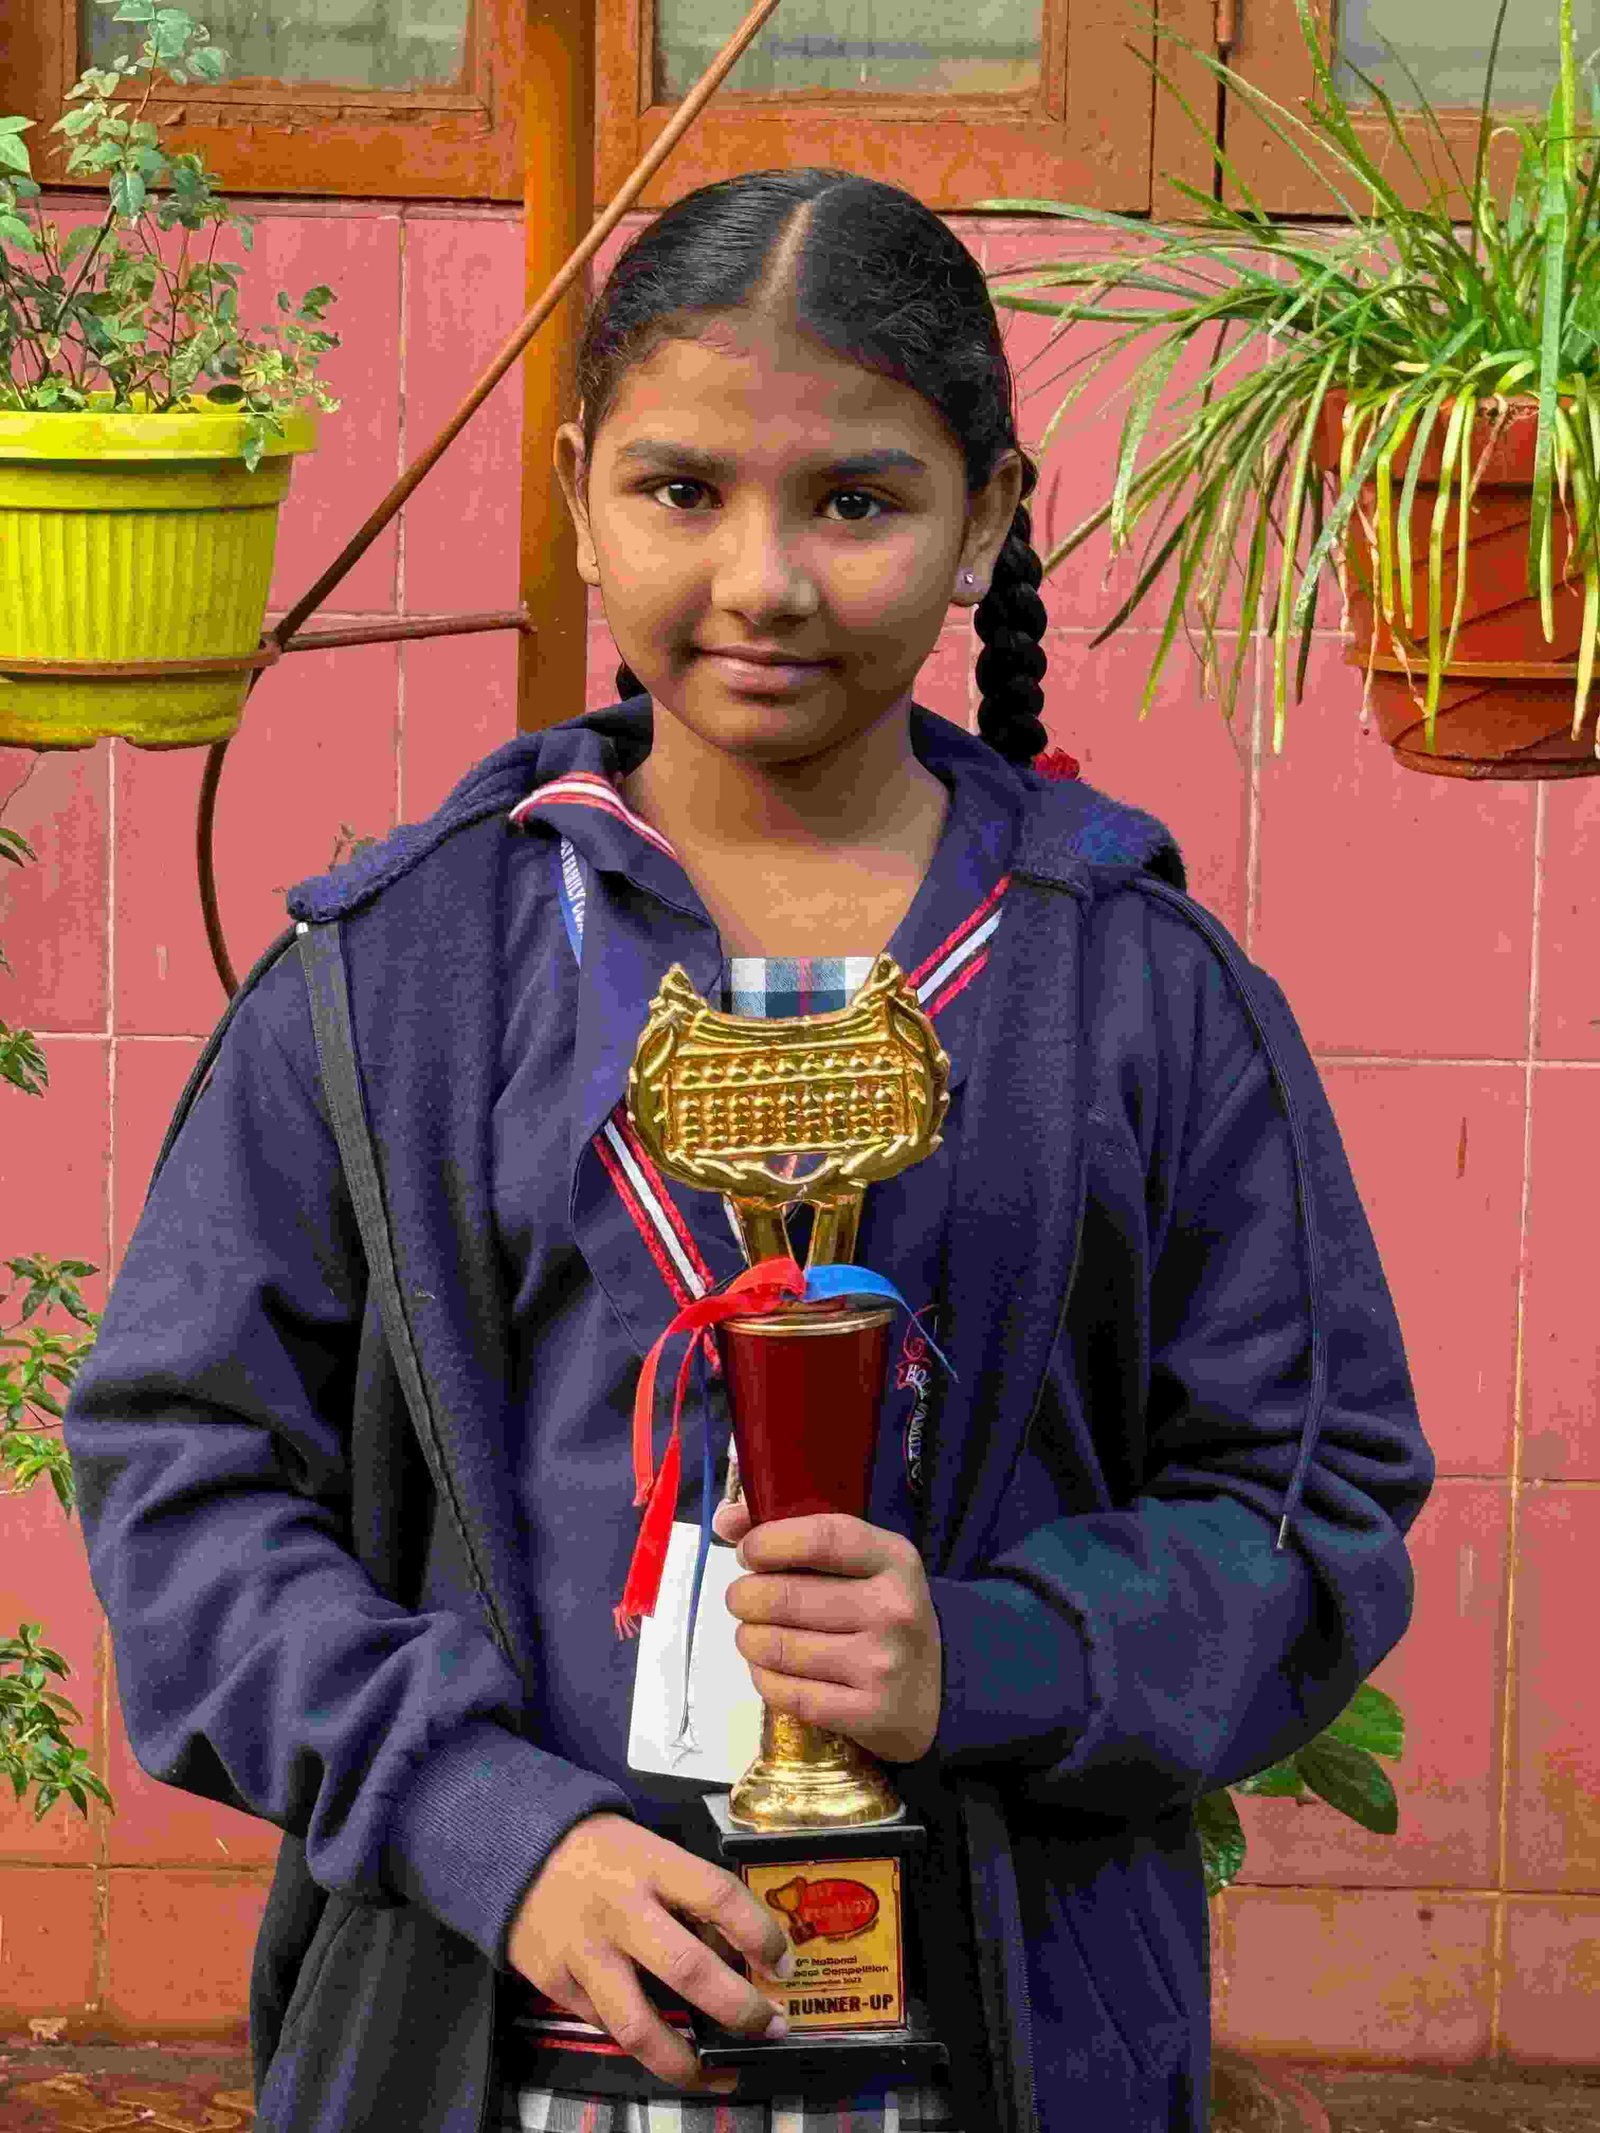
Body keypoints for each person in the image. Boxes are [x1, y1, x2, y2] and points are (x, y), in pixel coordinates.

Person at [61, 168, 1433, 2133]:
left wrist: (993, 1651)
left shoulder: (1135, 988)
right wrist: (492, 1824)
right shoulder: (396, 979)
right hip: (482, 2051)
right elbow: (182, 1478)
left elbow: (1312, 1495)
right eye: (682, 488)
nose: (763, 579)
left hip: (988, 2058)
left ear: (986, 518)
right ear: (577, 491)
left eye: (855, 501)